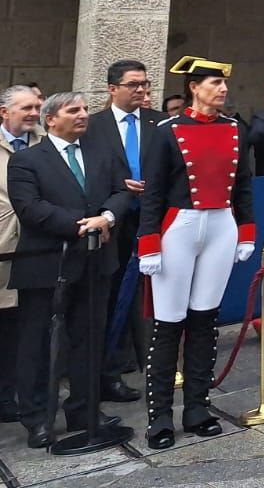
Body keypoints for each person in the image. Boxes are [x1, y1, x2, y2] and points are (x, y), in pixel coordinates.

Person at [138, 57, 255, 449]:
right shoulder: (167, 130)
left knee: (206, 320)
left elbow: (244, 186)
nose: (222, 89)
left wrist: (246, 231)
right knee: (168, 323)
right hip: (180, 227)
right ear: (194, 87)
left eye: (223, 83)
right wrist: (149, 242)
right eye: (213, 83)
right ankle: (158, 417)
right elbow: (152, 192)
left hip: (222, 224)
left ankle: (197, 408)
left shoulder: (236, 129)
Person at [10, 91, 136, 448]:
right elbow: (30, 208)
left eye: (84, 109)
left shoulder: (102, 153)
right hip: (47, 264)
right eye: (73, 110)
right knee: (38, 344)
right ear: (51, 119)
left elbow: (122, 192)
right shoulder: (27, 160)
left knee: (89, 338)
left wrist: (107, 216)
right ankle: (37, 417)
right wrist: (83, 224)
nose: (83, 115)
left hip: (96, 264)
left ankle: (84, 408)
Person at [85, 59, 163, 404]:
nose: (141, 90)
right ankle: (104, 372)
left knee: (146, 299)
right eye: (133, 84)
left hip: (150, 220)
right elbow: (85, 173)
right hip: (109, 222)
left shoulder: (159, 122)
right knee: (110, 298)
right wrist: (119, 187)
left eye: (145, 83)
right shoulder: (93, 125)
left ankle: (147, 362)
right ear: (112, 88)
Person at [0, 85, 43, 425]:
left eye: (37, 107)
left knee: (25, 327)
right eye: (26, 107)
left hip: (34, 248)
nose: (33, 113)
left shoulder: (44, 144)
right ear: (5, 112)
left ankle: (21, 395)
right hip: (1, 247)